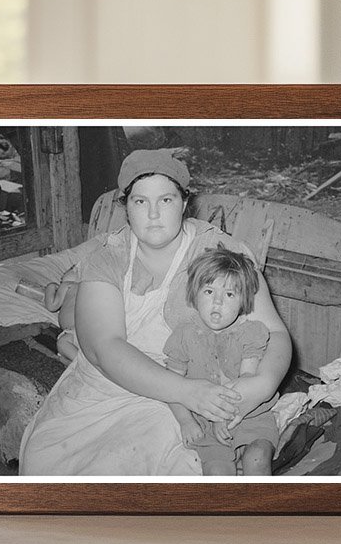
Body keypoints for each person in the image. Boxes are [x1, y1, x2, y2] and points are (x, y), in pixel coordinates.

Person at [18, 149, 291, 476]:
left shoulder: (221, 253)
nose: (153, 214)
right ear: (125, 207)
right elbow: (104, 349)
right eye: (140, 202)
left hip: (182, 398)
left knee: (158, 466)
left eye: (165, 200)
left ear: (185, 203)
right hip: (107, 386)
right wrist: (187, 392)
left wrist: (260, 385)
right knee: (44, 464)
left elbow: (273, 332)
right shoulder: (106, 260)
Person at [164, 245, 279, 476]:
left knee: (257, 457)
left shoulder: (251, 333)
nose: (218, 303)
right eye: (209, 292)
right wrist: (186, 421)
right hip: (205, 420)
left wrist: (225, 419)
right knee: (217, 473)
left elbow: (245, 384)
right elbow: (171, 386)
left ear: (243, 301)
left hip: (249, 413)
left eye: (229, 295)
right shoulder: (183, 336)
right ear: (194, 295)